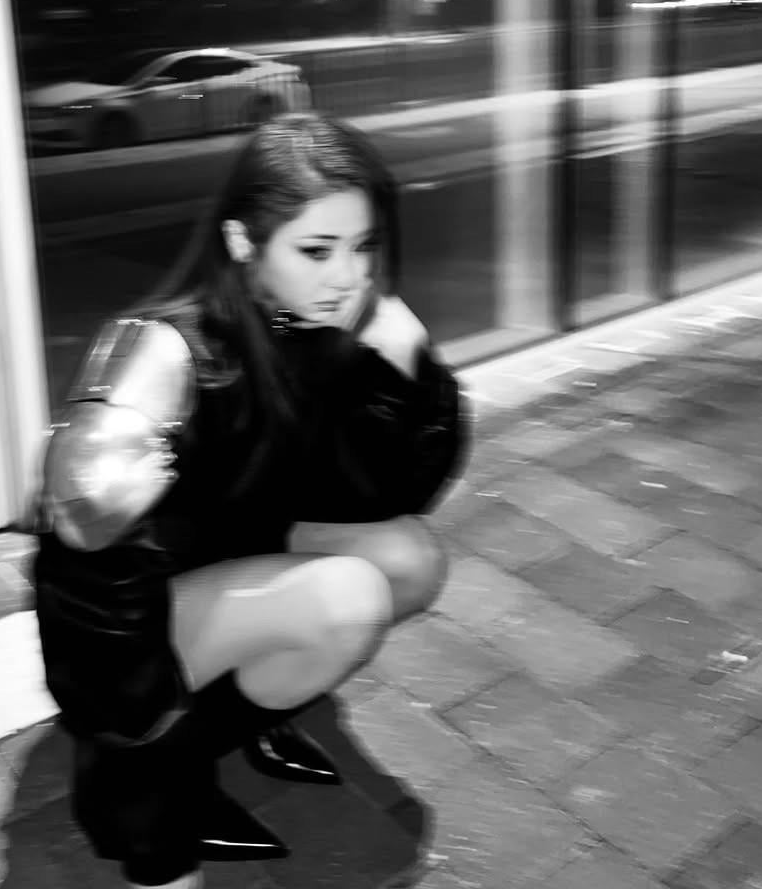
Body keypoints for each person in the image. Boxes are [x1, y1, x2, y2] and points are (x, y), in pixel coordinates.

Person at [32, 111, 469, 889]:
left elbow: (385, 494)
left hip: (232, 559)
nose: (350, 277)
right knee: (348, 599)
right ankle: (152, 765)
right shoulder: (170, 353)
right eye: (317, 250)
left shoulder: (319, 327)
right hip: (138, 623)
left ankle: (232, 725)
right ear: (242, 242)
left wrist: (407, 367)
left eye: (362, 246)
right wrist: (136, 756)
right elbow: (85, 563)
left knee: (409, 559)